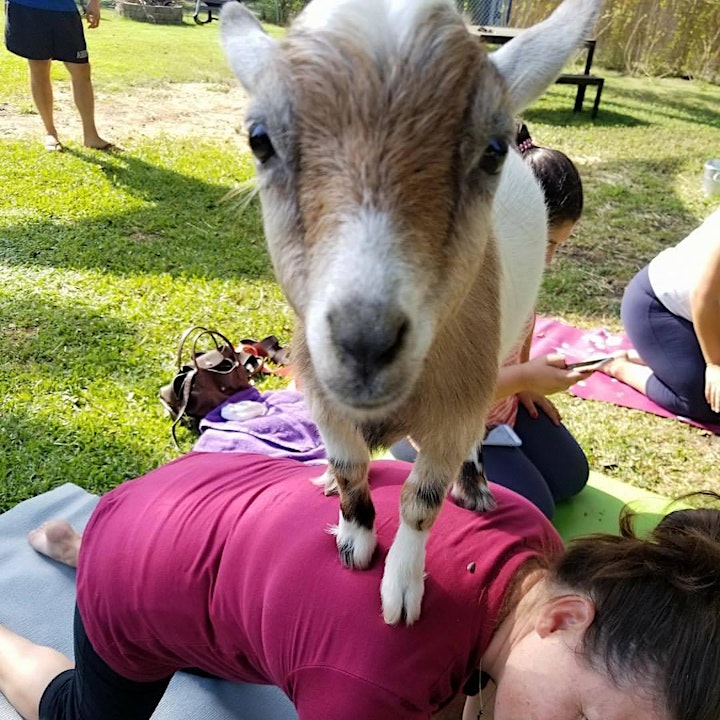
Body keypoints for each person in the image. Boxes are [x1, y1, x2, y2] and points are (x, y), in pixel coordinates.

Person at [0, 451, 718, 720]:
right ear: (563, 620)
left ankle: (85, 539)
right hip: (140, 570)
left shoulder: (536, 540)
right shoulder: (370, 684)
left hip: (205, 489)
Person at [392, 123, 592, 519]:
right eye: (543, 243)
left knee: (571, 476)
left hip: (497, 408)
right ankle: (407, 452)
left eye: (558, 247)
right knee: (534, 510)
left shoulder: (516, 262)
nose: (547, 260)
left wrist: (523, 381)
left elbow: (526, 322)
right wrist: (524, 378)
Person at [601, 207, 720, 424]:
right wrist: (715, 366)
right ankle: (618, 365)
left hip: (703, 318)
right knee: (708, 402)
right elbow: (704, 297)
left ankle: (659, 358)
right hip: (657, 308)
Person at [4, 0, 113, 151]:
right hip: (27, 8)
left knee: (81, 69)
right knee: (39, 66)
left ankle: (91, 136)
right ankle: (50, 132)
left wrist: (94, 2)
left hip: (64, 10)